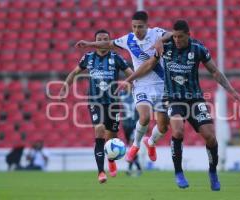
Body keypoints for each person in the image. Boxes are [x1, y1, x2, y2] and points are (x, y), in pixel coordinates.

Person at [118, 20, 240, 190]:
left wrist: (232, 91)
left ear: (188, 35)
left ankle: (213, 173)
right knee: (178, 131)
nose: (177, 40)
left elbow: (215, 71)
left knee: (210, 136)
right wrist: (128, 79)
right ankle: (178, 173)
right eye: (175, 36)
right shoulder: (165, 48)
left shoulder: (198, 49)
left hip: (195, 99)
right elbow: (149, 64)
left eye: (180, 37)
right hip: (173, 98)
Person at [75, 11, 173, 163]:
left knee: (163, 126)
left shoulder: (156, 33)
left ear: (147, 26)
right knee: (145, 117)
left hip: (161, 85)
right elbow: (108, 44)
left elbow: (172, 34)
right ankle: (135, 145)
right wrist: (89, 44)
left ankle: (151, 142)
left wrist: (161, 40)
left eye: (140, 27)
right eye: (134, 26)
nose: (136, 30)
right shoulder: (128, 39)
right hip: (141, 84)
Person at [59, 29, 133, 183]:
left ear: (109, 40)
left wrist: (129, 84)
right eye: (99, 38)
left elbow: (131, 74)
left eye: (106, 38)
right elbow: (73, 73)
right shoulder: (88, 58)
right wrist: (64, 88)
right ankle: (101, 172)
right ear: (95, 41)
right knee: (99, 130)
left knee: (111, 137)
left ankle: (111, 160)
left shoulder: (117, 58)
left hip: (113, 103)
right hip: (95, 101)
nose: (102, 41)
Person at [120, 89, 142, 176]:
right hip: (125, 125)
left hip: (134, 125)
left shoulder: (137, 94)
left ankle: (130, 168)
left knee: (132, 145)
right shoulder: (122, 94)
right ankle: (138, 168)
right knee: (130, 146)